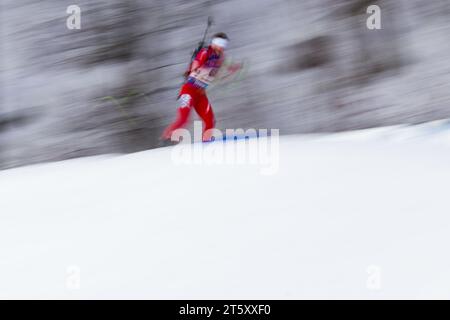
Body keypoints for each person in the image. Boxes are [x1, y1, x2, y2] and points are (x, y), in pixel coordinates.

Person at [162, 32, 241, 142]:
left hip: (200, 93)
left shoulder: (221, 57)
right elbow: (196, 65)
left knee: (210, 120)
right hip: (188, 90)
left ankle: (206, 142)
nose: (222, 47)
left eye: (224, 45)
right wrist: (197, 69)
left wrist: (234, 68)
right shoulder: (205, 52)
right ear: (214, 43)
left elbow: (226, 66)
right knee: (184, 119)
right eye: (219, 43)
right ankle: (166, 138)